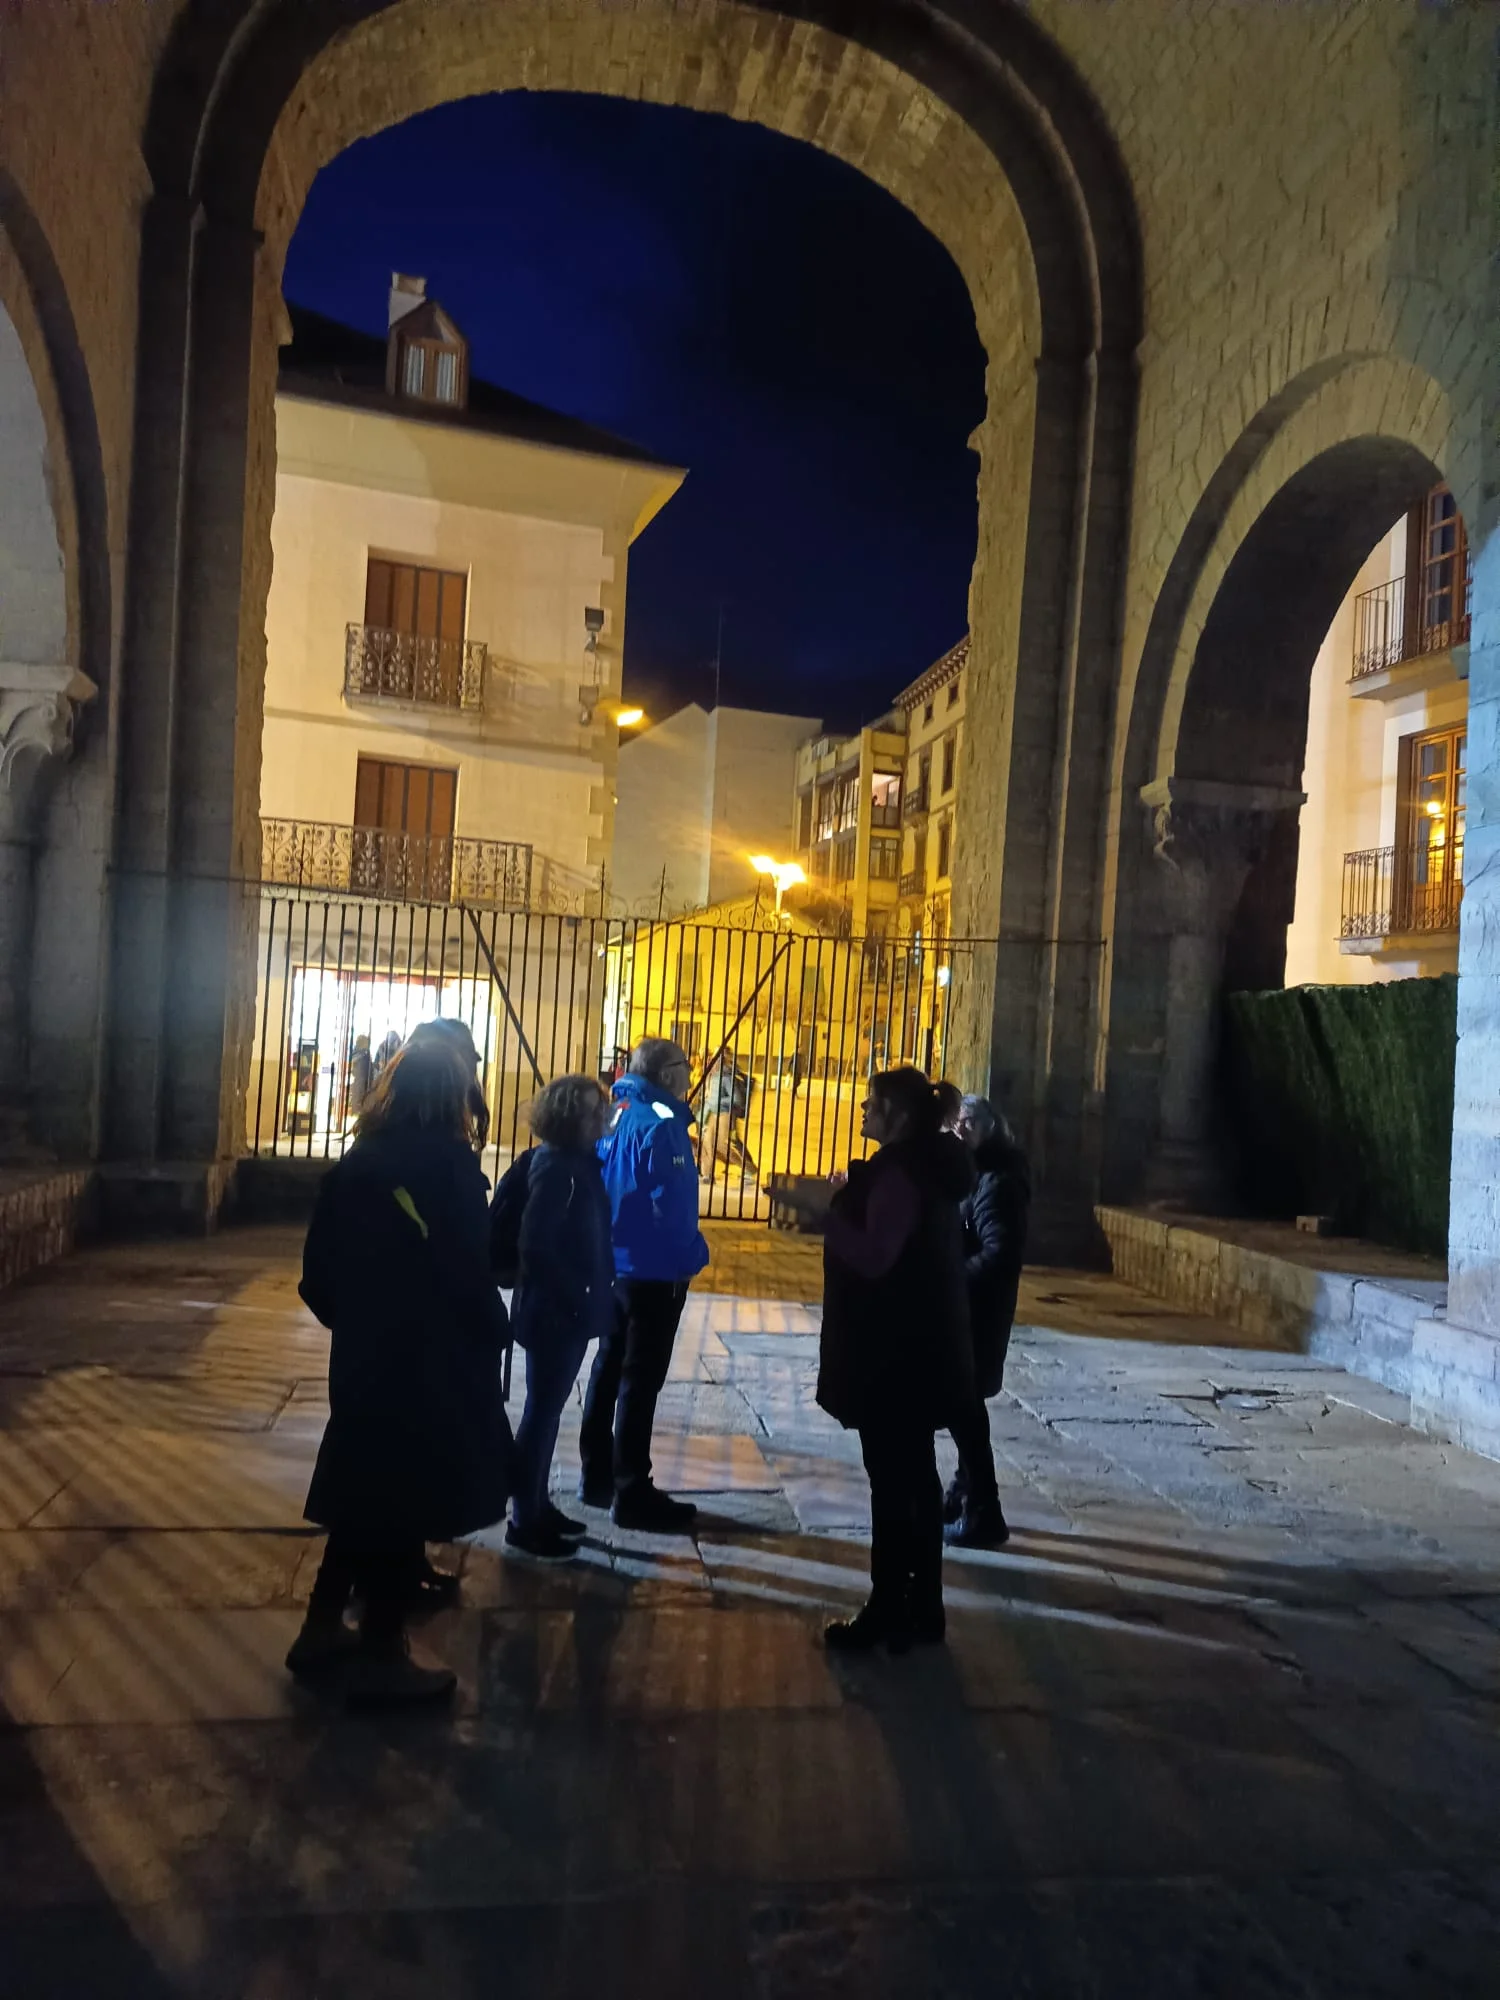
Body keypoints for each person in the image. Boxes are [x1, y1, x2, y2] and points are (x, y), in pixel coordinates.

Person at [286, 1037, 514, 1707]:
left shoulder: (358, 1164)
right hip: (428, 1363)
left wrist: (362, 1324)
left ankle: (320, 1627)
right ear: (453, 1099)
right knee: (400, 1504)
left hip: (365, 1358)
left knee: (361, 1489)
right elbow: (467, 1272)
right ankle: (382, 1650)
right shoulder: (448, 1170)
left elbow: (317, 1278)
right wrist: (491, 1331)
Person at [814, 1067, 974, 1653]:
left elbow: (875, 1256)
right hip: (920, 1350)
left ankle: (888, 1608)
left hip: (892, 1356)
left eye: (872, 1103)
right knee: (917, 1482)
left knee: (893, 1485)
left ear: (898, 1117)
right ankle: (923, 1605)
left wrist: (825, 1214)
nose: (863, 1109)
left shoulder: (901, 1174)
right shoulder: (926, 1168)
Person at [578, 1037, 709, 1531]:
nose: (690, 1073)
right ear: (667, 1073)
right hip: (654, 1272)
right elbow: (673, 1209)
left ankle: (596, 1475)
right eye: (685, 1065)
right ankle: (632, 1488)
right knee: (640, 1379)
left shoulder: (616, 1113)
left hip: (614, 1265)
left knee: (608, 1365)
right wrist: (692, 1256)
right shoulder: (663, 1122)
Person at [505, 1075, 616, 1563]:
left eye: (601, 1110)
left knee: (547, 1412)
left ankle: (537, 1504)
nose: (600, 1118)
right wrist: (576, 1296)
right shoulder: (556, 1168)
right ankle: (523, 1518)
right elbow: (535, 1245)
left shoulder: (577, 1163)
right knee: (542, 1413)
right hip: (555, 1313)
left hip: (566, 1309)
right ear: (567, 1116)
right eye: (591, 1111)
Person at [943, 1094, 1031, 1549]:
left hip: (978, 1316)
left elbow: (999, 1253)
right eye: (957, 1121)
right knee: (965, 1408)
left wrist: (953, 1281)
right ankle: (964, 1496)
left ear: (990, 1128)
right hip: (971, 1312)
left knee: (965, 1410)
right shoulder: (977, 1176)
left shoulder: (996, 1184)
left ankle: (983, 1510)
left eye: (969, 1121)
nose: (960, 1129)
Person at [701, 1058, 756, 1179]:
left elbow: (738, 1099)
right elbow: (708, 1100)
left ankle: (749, 1169)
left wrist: (718, 1101)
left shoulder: (727, 1078)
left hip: (724, 1114)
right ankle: (707, 1174)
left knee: (722, 1145)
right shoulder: (713, 1077)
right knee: (707, 1143)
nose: (709, 1065)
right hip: (712, 1114)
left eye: (712, 1063)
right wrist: (703, 1117)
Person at [344, 1035, 373, 1126]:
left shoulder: (355, 1054)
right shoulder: (364, 1055)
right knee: (360, 1102)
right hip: (362, 1082)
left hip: (358, 1081)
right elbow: (367, 1071)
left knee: (357, 1101)